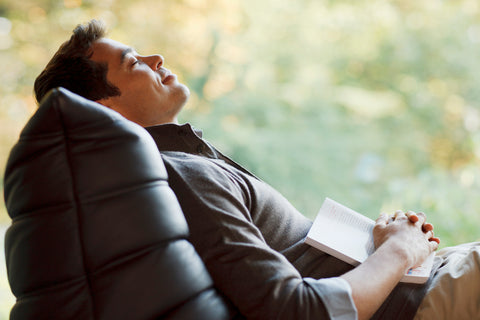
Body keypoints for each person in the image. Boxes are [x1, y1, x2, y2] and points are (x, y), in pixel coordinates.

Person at [33, 19, 480, 320]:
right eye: (134, 63)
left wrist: (390, 241)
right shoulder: (178, 176)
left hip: (434, 277)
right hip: (424, 299)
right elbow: (293, 309)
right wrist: (400, 249)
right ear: (104, 108)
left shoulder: (182, 165)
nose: (156, 59)